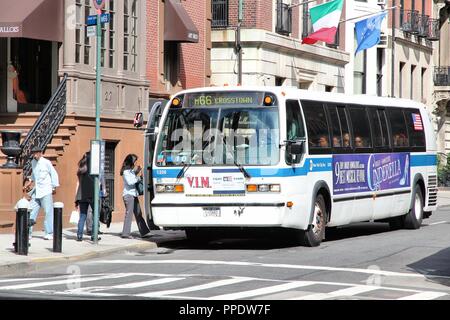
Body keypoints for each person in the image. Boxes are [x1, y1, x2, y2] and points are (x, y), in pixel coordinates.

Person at [28, 147, 59, 240]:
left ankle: (49, 232)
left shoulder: (46, 162)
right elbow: (34, 174)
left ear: (40, 153)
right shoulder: (33, 162)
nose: (35, 155)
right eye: (33, 153)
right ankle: (28, 232)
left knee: (48, 212)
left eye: (36, 153)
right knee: (31, 211)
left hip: (46, 190)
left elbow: (54, 174)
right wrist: (30, 182)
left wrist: (54, 187)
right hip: (37, 190)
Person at [120, 154, 151, 239]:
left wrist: (138, 169)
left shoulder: (130, 171)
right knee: (129, 214)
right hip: (128, 195)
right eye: (134, 161)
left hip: (133, 194)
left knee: (138, 213)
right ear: (130, 161)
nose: (135, 162)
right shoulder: (125, 172)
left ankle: (144, 232)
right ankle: (125, 234)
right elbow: (130, 181)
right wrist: (139, 178)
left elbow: (134, 175)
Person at [75, 152, 102, 242]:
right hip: (92, 194)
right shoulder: (93, 169)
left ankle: (79, 235)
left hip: (82, 195)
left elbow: (78, 184)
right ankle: (94, 235)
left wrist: (76, 198)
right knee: (95, 214)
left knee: (82, 215)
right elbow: (98, 182)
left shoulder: (80, 170)